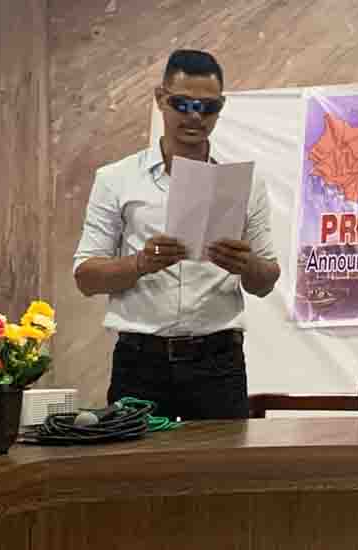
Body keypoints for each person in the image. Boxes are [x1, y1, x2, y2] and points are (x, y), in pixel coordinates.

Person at [73, 49, 280, 420]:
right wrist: (140, 263)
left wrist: (245, 264)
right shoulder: (116, 179)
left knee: (221, 460)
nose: (195, 116)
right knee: (135, 460)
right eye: (182, 104)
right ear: (160, 98)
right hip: (139, 363)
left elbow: (265, 282)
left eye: (208, 107)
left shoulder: (245, 185)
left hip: (219, 363)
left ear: (221, 107)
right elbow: (86, 277)